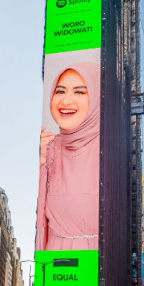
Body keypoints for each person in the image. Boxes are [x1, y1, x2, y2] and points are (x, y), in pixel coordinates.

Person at [36, 62, 100, 252]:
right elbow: (40, 220)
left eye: (79, 92)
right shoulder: (48, 148)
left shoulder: (110, 147)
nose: (66, 102)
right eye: (60, 91)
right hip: (56, 261)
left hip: (100, 260)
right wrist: (41, 163)